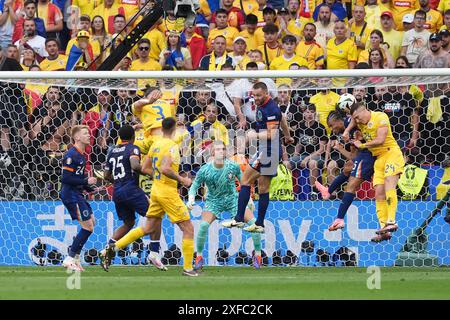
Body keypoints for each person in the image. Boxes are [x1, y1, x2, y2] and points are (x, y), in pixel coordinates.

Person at [104, 117, 197, 277]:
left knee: (148, 227)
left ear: (162, 129)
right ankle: (188, 269)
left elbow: (145, 168)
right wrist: (184, 180)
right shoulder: (172, 146)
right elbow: (166, 168)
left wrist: (157, 177)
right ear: (174, 129)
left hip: (155, 191)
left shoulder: (155, 145)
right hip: (167, 192)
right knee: (188, 228)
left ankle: (111, 249)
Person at [222, 82, 294, 233]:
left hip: (268, 151)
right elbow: (283, 119)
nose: (256, 98)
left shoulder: (271, 108)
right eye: (253, 95)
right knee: (263, 188)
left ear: (266, 93)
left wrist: (253, 135)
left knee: (245, 179)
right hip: (269, 150)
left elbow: (272, 134)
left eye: (259, 95)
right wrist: (287, 136)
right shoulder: (264, 105)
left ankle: (239, 218)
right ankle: (259, 223)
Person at [187, 141, 263, 269]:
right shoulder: (205, 169)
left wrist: (249, 199)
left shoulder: (233, 166)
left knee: (253, 223)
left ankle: (258, 255)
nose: (221, 151)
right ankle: (199, 257)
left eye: (223, 149)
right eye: (217, 149)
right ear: (212, 152)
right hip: (213, 201)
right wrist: (191, 198)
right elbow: (194, 185)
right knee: (203, 226)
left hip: (233, 200)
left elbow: (244, 182)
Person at [100, 125, 166, 271]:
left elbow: (105, 175)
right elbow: (135, 165)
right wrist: (150, 174)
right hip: (131, 189)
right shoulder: (133, 148)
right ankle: (154, 252)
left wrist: (118, 182)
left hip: (117, 191)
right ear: (133, 137)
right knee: (155, 216)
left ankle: (106, 250)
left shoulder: (112, 151)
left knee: (128, 223)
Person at [344, 103, 405, 241]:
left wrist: (362, 145)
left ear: (365, 110)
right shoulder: (360, 121)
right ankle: (384, 229)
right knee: (378, 193)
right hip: (379, 160)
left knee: (390, 183)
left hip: (391, 154)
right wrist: (347, 130)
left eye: (358, 117)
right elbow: (354, 117)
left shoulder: (380, 116)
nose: (357, 121)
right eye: (356, 119)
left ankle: (392, 221)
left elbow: (381, 139)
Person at [316, 111, 376, 234]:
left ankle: (339, 219)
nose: (332, 129)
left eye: (332, 125)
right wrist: (340, 148)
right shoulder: (348, 134)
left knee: (351, 187)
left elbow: (356, 119)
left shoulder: (350, 123)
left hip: (370, 154)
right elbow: (353, 156)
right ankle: (328, 191)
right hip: (365, 154)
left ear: (339, 120)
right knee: (348, 168)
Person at [60, 125, 97, 271]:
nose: (89, 135)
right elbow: (66, 178)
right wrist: (85, 182)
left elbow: (78, 178)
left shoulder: (81, 155)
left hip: (77, 194)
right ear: (77, 137)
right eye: (85, 133)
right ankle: (69, 259)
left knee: (92, 222)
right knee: (88, 227)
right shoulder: (71, 155)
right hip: (70, 195)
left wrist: (88, 188)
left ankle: (75, 258)